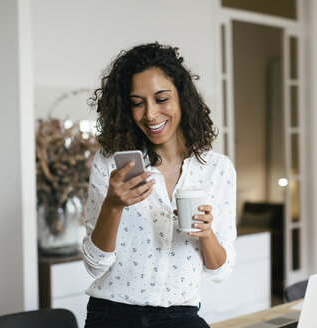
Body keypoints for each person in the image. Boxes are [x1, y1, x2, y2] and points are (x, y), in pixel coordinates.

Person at [83, 42, 236, 328]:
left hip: (179, 315)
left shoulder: (217, 169)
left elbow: (220, 271)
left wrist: (205, 233)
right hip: (113, 313)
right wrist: (113, 206)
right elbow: (94, 265)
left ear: (182, 99)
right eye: (138, 103)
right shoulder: (110, 163)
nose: (151, 114)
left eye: (162, 99)